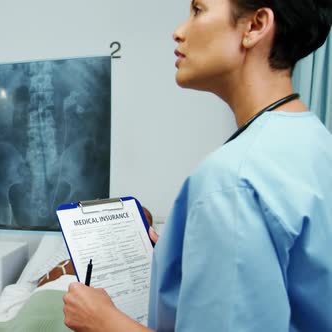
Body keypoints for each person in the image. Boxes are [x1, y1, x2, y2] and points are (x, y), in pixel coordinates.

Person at [63, 0, 332, 331]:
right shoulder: (316, 141)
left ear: (256, 25)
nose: (179, 32)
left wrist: (103, 321)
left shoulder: (232, 181)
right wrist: (196, 256)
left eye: (198, 10)